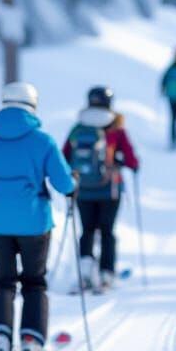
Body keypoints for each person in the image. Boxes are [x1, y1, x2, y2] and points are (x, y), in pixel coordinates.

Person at [0, 82, 75, 351]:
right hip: (34, 222)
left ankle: (0, 337)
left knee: (3, 280)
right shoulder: (43, 141)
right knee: (34, 282)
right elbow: (63, 183)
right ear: (32, 105)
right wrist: (73, 186)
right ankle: (30, 339)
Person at [63, 86, 140, 293]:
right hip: (109, 189)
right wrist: (126, 163)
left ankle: (85, 273)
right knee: (107, 231)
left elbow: (65, 156)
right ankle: (106, 274)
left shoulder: (79, 127)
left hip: (83, 189)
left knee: (87, 230)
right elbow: (132, 160)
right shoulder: (116, 128)